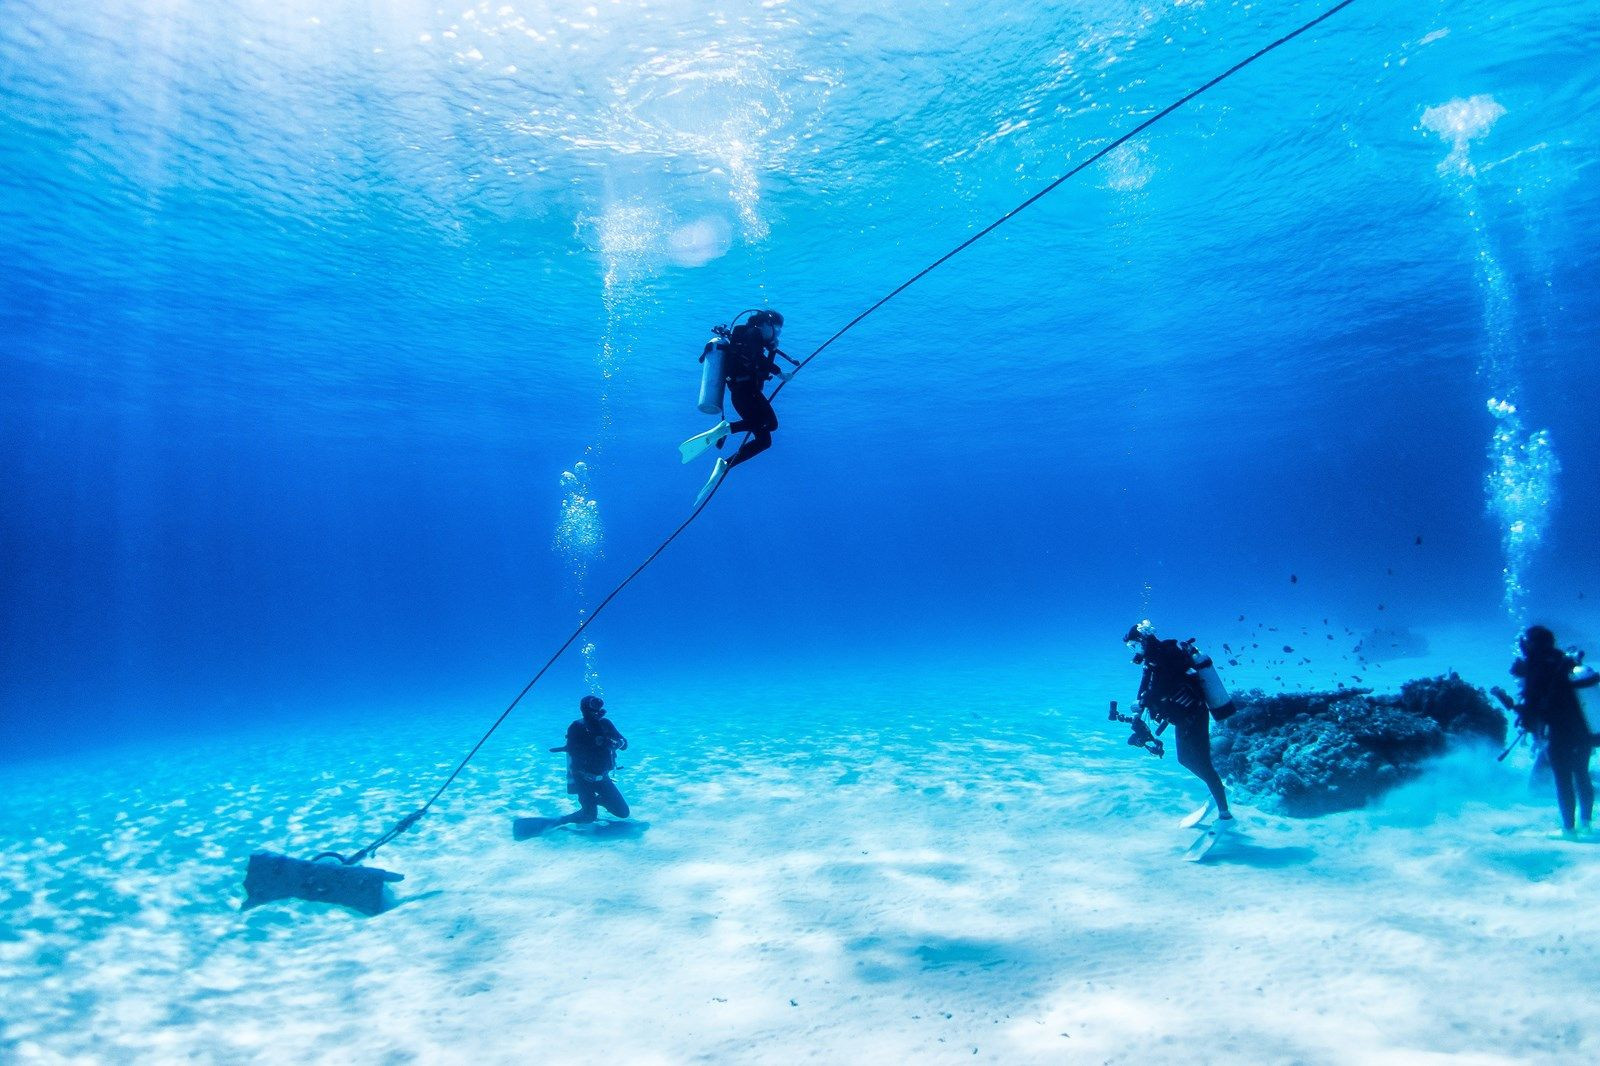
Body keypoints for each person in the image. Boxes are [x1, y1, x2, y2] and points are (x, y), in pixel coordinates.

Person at [679, 309, 796, 506]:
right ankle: (726, 429)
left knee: (765, 440)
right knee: (770, 424)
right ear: (766, 324)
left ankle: (725, 465)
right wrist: (780, 373)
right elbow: (758, 361)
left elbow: (758, 365)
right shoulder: (753, 333)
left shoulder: (748, 337)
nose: (776, 334)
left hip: (743, 394)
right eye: (776, 329)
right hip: (746, 392)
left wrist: (772, 351)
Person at [1125, 621, 1234, 830]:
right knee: (1184, 759)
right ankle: (1218, 788)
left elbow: (1161, 687)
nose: (1134, 651)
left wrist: (1143, 702)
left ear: (1142, 641)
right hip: (1181, 717)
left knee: (1203, 763)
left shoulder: (1166, 656)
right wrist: (1138, 710)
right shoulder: (1151, 661)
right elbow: (1145, 687)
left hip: (1194, 715)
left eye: (1134, 646)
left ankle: (1225, 814)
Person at [1510, 625, 1597, 839]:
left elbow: (1532, 705)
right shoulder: (1565, 661)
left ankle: (1568, 829)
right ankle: (1586, 823)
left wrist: (1521, 714)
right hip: (1584, 730)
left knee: (1563, 779)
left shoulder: (1535, 667)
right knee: (1582, 774)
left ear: (1532, 644)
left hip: (1559, 731)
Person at [549, 695, 631, 826]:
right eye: (592, 707)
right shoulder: (576, 726)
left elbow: (624, 744)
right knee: (588, 817)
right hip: (583, 779)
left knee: (623, 812)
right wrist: (595, 743)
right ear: (583, 709)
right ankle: (561, 821)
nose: (595, 711)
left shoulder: (605, 723)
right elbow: (573, 750)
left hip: (603, 777)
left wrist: (616, 743)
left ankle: (596, 801)